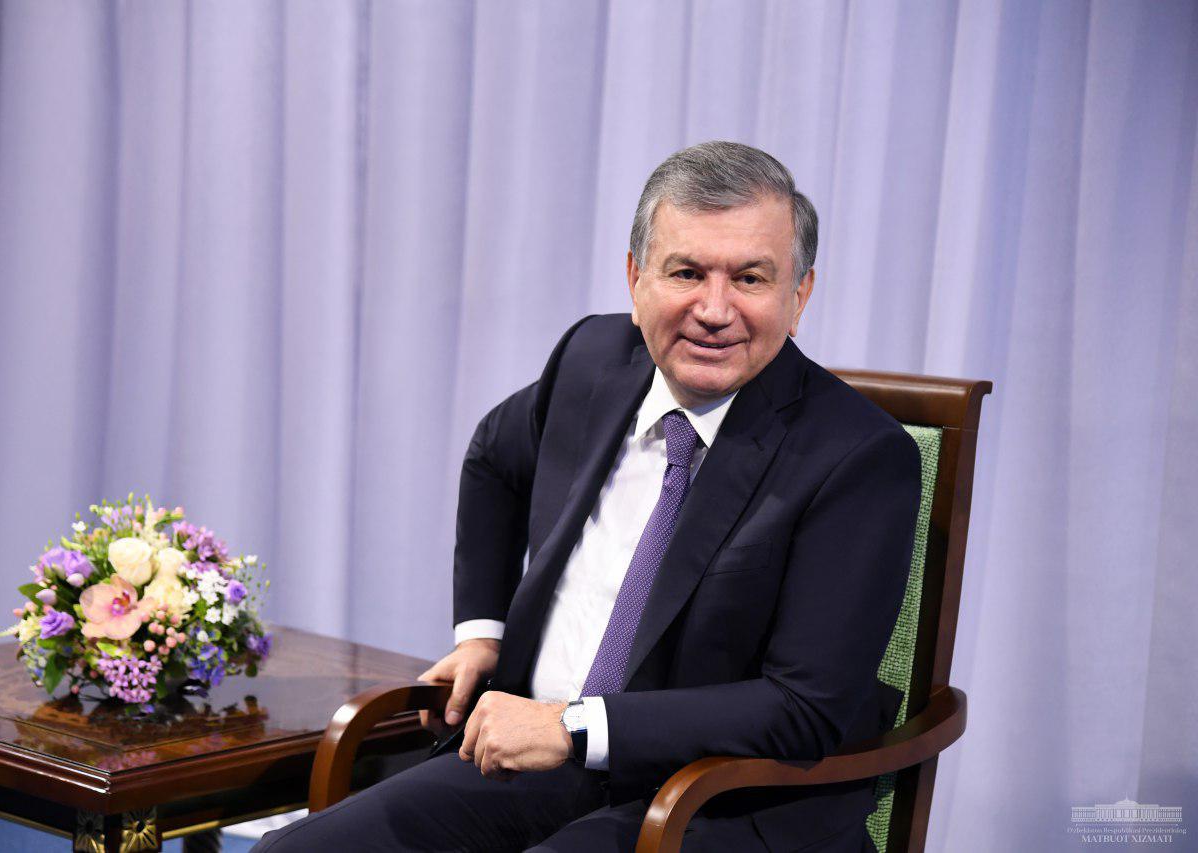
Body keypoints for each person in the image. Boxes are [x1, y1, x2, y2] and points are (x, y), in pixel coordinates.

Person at [254, 141, 921, 851]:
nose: (715, 309)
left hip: (718, 800)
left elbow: (803, 706)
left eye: (751, 278)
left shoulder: (858, 456)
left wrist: (572, 727)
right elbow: (493, 458)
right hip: (531, 770)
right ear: (635, 280)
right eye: (686, 272)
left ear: (800, 294)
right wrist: (480, 633)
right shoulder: (593, 360)